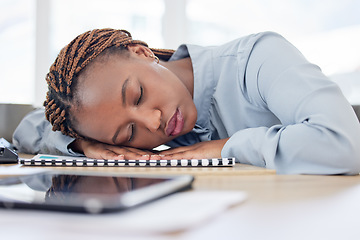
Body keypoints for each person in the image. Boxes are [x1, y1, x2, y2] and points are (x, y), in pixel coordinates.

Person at [13, 28, 360, 175]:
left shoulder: (256, 58)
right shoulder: (119, 123)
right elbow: (29, 127)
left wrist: (228, 148)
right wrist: (82, 143)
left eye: (138, 95)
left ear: (142, 52)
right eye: (127, 134)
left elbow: (345, 144)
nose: (152, 123)